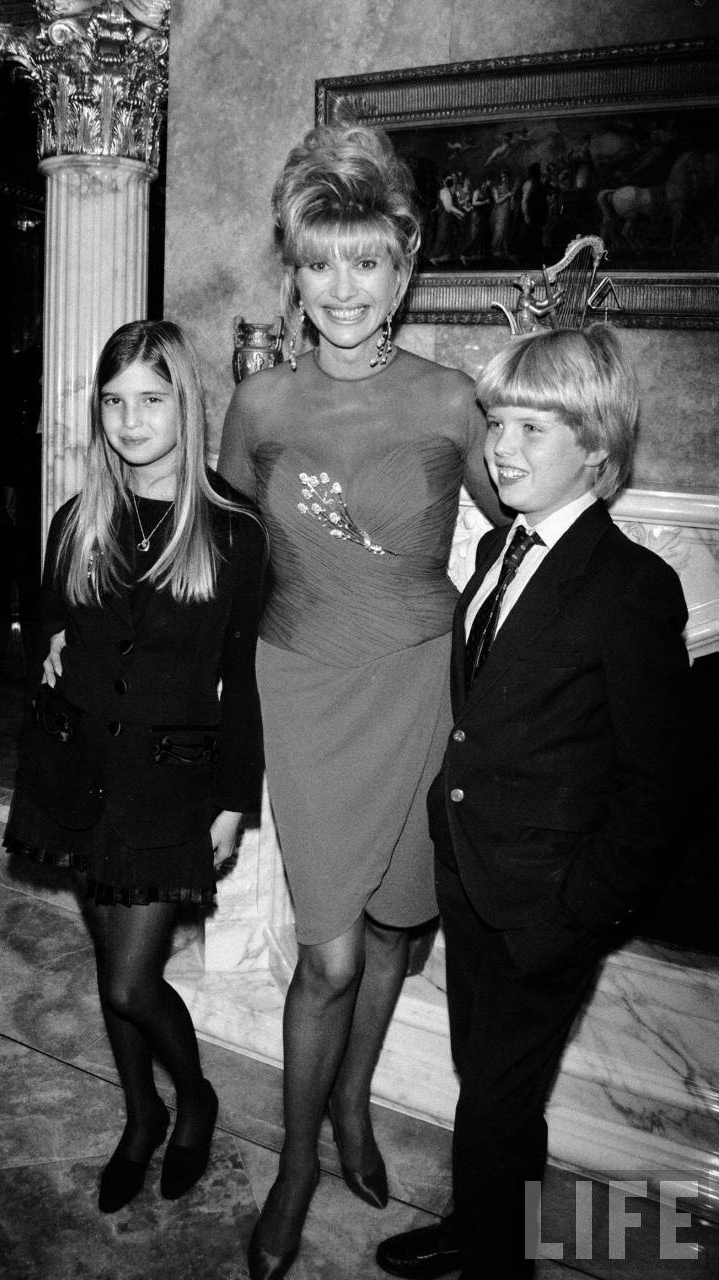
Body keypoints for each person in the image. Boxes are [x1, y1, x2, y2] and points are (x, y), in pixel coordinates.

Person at [217, 122, 503, 1280]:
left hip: (420, 684)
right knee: (327, 955)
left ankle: (350, 1103)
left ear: (404, 263)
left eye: (366, 261)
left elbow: (517, 528)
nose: (343, 288)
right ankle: (294, 1163)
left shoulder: (450, 401)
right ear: (293, 268)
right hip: (304, 687)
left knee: (394, 927)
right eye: (319, 261)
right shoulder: (259, 404)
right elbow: (223, 552)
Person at [376, 325, 691, 1280]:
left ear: (595, 448)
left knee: (496, 1096)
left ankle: (496, 1261)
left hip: (547, 903)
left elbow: (656, 789)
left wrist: (573, 917)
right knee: (489, 1087)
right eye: (497, 422)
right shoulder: (498, 550)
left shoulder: (632, 588)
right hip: (474, 876)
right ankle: (485, 1227)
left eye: (532, 429)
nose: (501, 448)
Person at [4, 319, 265, 1213]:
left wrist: (233, 800)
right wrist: (51, 641)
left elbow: (243, 678)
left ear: (184, 404)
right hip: (77, 771)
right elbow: (47, 622)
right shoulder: (78, 520)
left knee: (129, 981)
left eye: (151, 399)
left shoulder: (232, 530)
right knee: (112, 970)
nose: (130, 420)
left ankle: (193, 1098)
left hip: (165, 782)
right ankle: (139, 1117)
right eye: (114, 401)